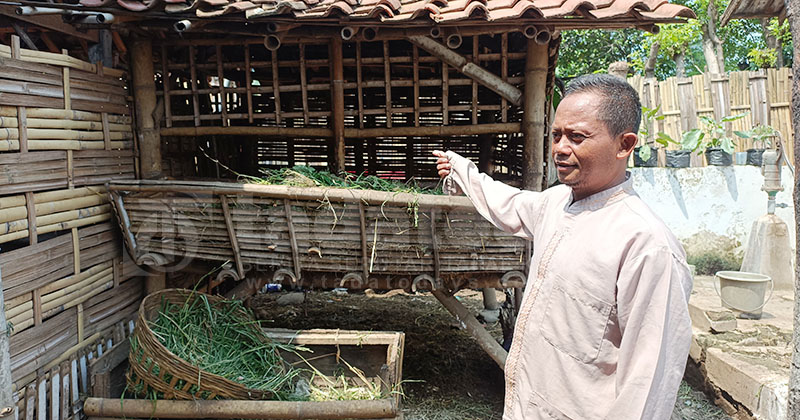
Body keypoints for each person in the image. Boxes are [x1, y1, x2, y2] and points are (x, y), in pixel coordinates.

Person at [433, 74, 692, 420]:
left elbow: (647, 383)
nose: (560, 148)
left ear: (624, 144)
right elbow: (507, 203)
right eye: (556, 135)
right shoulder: (556, 203)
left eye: (577, 137)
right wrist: (463, 172)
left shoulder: (646, 245)